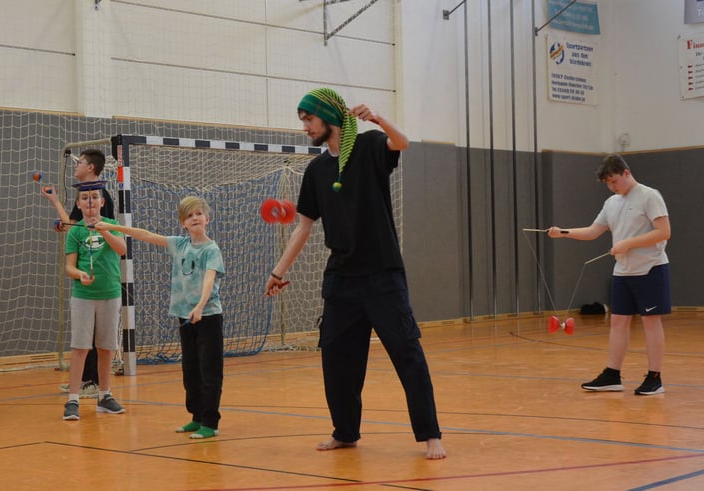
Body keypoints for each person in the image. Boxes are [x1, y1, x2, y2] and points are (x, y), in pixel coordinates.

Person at [264, 88, 446, 459]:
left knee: (407, 352)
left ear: (329, 118)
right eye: (302, 121)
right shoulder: (315, 170)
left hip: (382, 276)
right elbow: (303, 227)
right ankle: (345, 432)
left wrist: (377, 117)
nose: (305, 127)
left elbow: (403, 142)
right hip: (342, 280)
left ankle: (430, 434)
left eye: (308, 119)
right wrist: (278, 271)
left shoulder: (369, 147)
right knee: (336, 358)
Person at [94, 196, 225, 439]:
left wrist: (200, 305)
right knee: (190, 370)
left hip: (207, 317)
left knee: (210, 370)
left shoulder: (211, 249)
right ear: (182, 223)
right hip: (185, 317)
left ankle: (210, 422)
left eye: (199, 214)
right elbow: (146, 235)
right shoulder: (180, 244)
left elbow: (209, 278)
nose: (195, 218)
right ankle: (196, 417)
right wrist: (112, 227)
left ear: (207, 219)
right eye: (189, 216)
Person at [547, 154, 671, 396]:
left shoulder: (649, 196)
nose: (613, 187)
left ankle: (655, 378)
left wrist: (629, 244)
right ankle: (612, 375)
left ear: (626, 172)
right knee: (618, 321)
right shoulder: (612, 203)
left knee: (650, 322)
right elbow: (594, 231)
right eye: (608, 184)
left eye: (615, 181)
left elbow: (664, 232)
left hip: (651, 268)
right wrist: (563, 232)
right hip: (623, 272)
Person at [42, 149, 114, 398]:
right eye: (85, 199)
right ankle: (84, 381)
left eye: (80, 162)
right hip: (85, 281)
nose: (76, 165)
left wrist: (59, 210)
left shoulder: (100, 195)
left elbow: (111, 234)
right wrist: (56, 204)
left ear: (91, 167)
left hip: (105, 276)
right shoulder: (82, 197)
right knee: (83, 338)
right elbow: (74, 226)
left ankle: (95, 383)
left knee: (101, 339)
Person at [60, 180, 128, 421]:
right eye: (85, 198)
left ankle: (105, 395)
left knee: (106, 347)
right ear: (78, 204)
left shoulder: (113, 225)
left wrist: (104, 230)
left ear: (102, 202)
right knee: (80, 347)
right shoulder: (76, 231)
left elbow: (121, 250)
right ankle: (73, 399)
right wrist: (80, 275)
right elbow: (69, 266)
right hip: (83, 297)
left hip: (109, 294)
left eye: (94, 197)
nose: (90, 201)